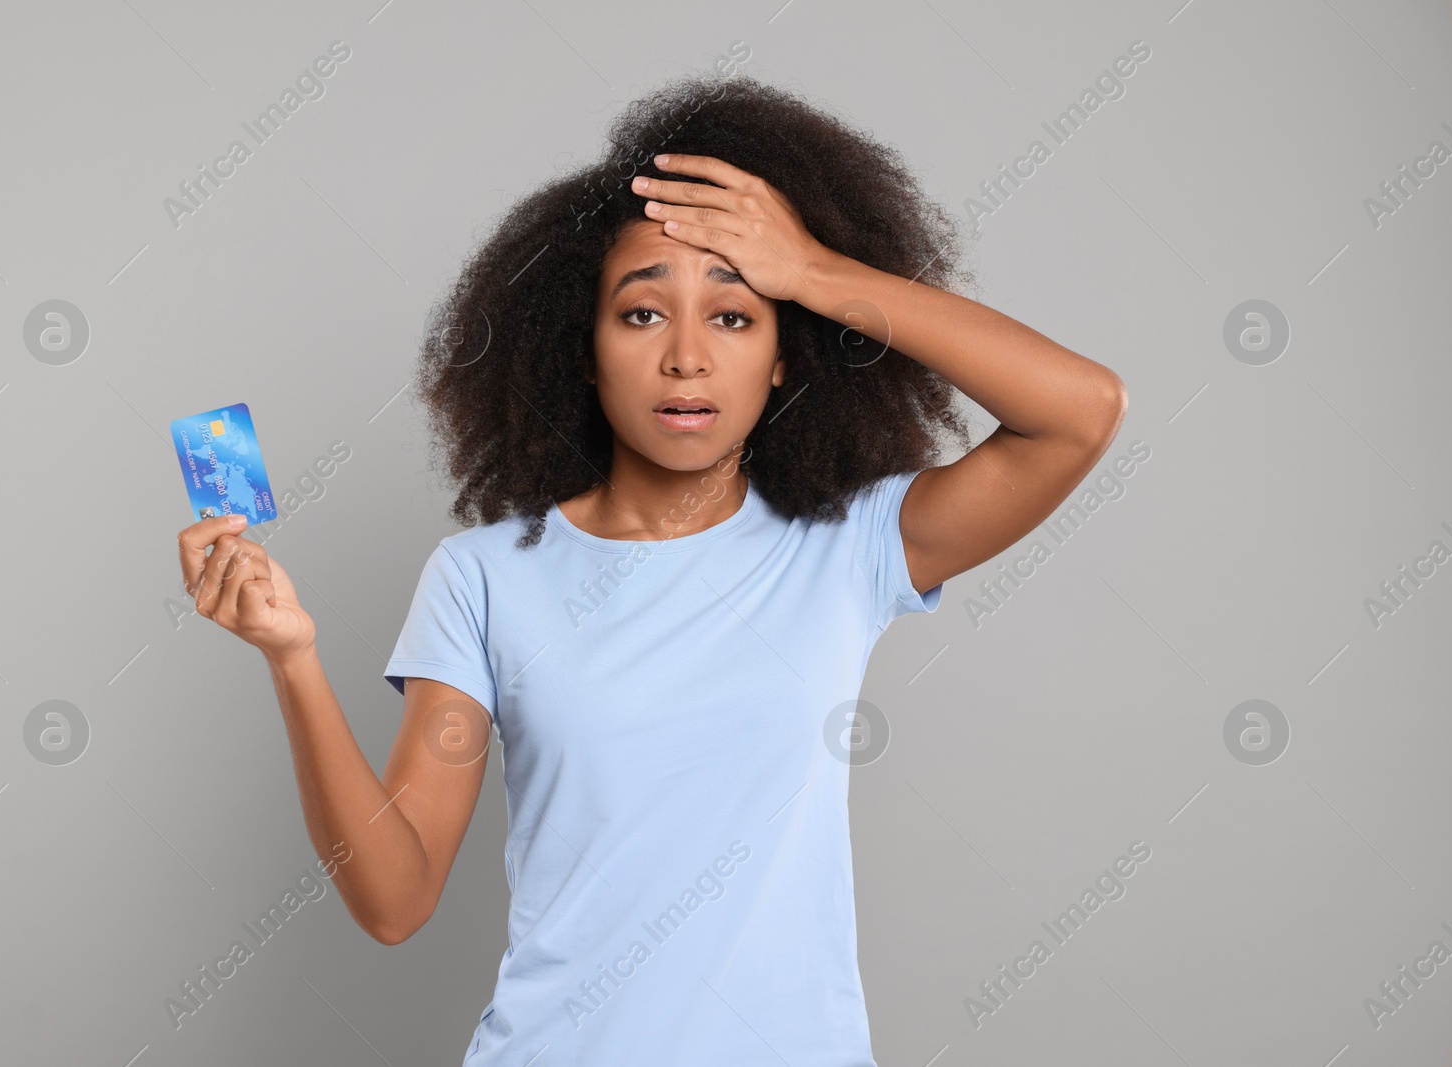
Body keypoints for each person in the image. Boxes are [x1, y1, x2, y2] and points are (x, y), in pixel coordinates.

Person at [176, 72, 1126, 1066]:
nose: (685, 358)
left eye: (732, 314)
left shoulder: (847, 547)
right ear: (578, 351)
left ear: (782, 357)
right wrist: (292, 658)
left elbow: (1080, 410)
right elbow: (394, 895)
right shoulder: (484, 578)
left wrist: (809, 268)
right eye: (639, 315)